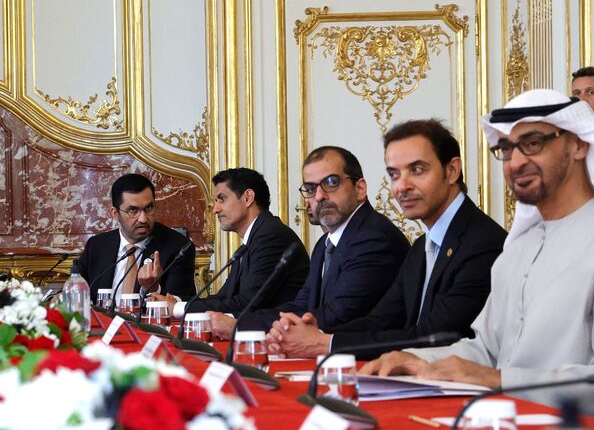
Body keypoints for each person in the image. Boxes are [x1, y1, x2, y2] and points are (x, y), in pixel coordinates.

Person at [360, 89, 594, 416]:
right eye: (507, 149)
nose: (517, 161)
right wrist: (414, 360)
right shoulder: (519, 246)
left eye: (533, 143)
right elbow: (484, 348)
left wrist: (498, 380)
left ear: (578, 144)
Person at [267, 120, 506, 359]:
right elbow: (382, 319)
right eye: (394, 174)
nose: (402, 186)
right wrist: (316, 335)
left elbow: (434, 335)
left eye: (417, 170)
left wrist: (324, 344)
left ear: (452, 170)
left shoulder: (483, 243)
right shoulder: (422, 245)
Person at [219, 146, 409, 340]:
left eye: (331, 182)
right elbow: (301, 304)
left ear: (360, 189)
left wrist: (240, 326)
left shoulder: (373, 238)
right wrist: (241, 322)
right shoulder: (323, 245)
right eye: (311, 189)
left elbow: (339, 314)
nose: (319, 196)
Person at [150, 168, 310, 321]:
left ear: (248, 198)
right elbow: (223, 297)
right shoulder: (256, 236)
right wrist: (174, 301)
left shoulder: (271, 236)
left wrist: (179, 308)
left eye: (222, 199)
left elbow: (247, 303)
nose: (216, 210)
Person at [75, 173, 197, 302]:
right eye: (133, 210)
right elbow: (74, 288)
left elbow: (180, 304)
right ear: (115, 213)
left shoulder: (178, 247)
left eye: (149, 208)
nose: (143, 219)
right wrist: (57, 298)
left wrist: (152, 289)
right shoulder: (97, 246)